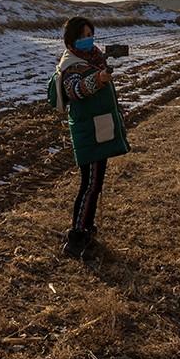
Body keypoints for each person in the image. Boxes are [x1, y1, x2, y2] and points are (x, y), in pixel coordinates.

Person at [47, 15, 129, 258]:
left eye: (90, 34)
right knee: (89, 185)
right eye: (82, 36)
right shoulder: (71, 64)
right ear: (72, 39)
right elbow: (75, 90)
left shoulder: (92, 57)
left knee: (94, 184)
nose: (88, 39)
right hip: (89, 132)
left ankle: (86, 226)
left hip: (97, 129)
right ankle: (77, 236)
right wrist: (98, 79)